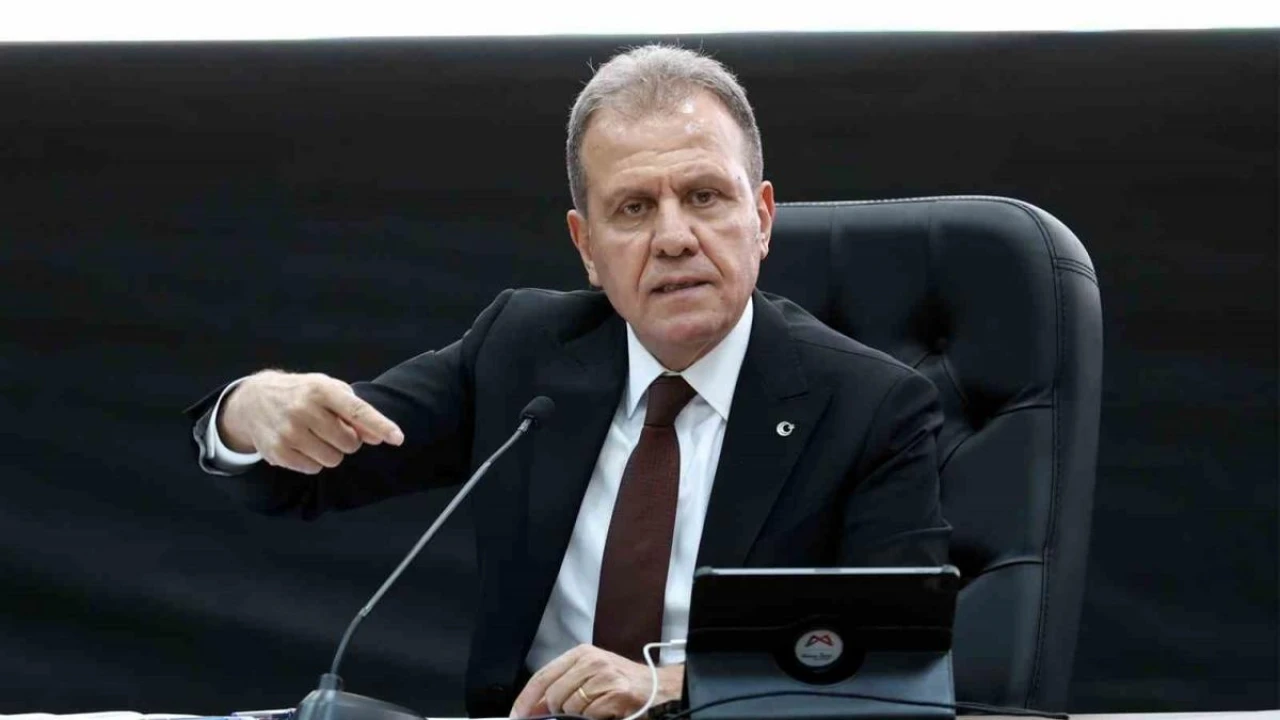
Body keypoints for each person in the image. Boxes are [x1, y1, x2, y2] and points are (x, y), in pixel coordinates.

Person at [186, 44, 949, 720]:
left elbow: (894, 664)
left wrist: (671, 686)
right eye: (634, 209)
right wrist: (251, 411)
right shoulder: (523, 353)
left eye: (704, 197)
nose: (674, 238)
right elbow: (309, 471)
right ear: (587, 247)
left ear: (762, 217)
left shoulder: (869, 407)